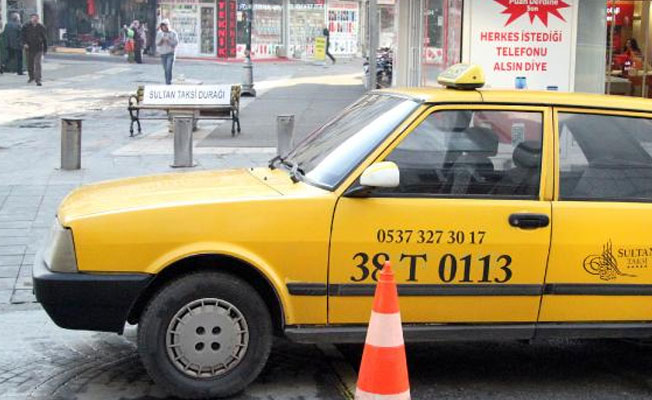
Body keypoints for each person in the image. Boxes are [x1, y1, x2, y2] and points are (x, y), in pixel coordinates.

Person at [21, 13, 47, 86]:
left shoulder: (41, 27)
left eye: (36, 18)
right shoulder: (26, 26)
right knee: (30, 64)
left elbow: (45, 38)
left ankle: (38, 79)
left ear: (38, 19)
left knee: (37, 63)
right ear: (31, 18)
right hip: (29, 48)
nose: (35, 20)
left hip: (38, 48)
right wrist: (24, 43)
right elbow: (22, 36)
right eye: (33, 18)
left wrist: (45, 49)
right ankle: (31, 77)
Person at [156, 19, 178, 85]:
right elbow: (157, 43)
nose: (164, 27)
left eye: (165, 26)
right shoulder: (160, 33)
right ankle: (167, 81)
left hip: (170, 53)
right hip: (163, 53)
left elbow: (175, 43)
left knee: (169, 68)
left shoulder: (173, 33)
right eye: (163, 26)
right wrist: (162, 40)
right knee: (165, 69)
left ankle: (169, 82)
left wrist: (168, 40)